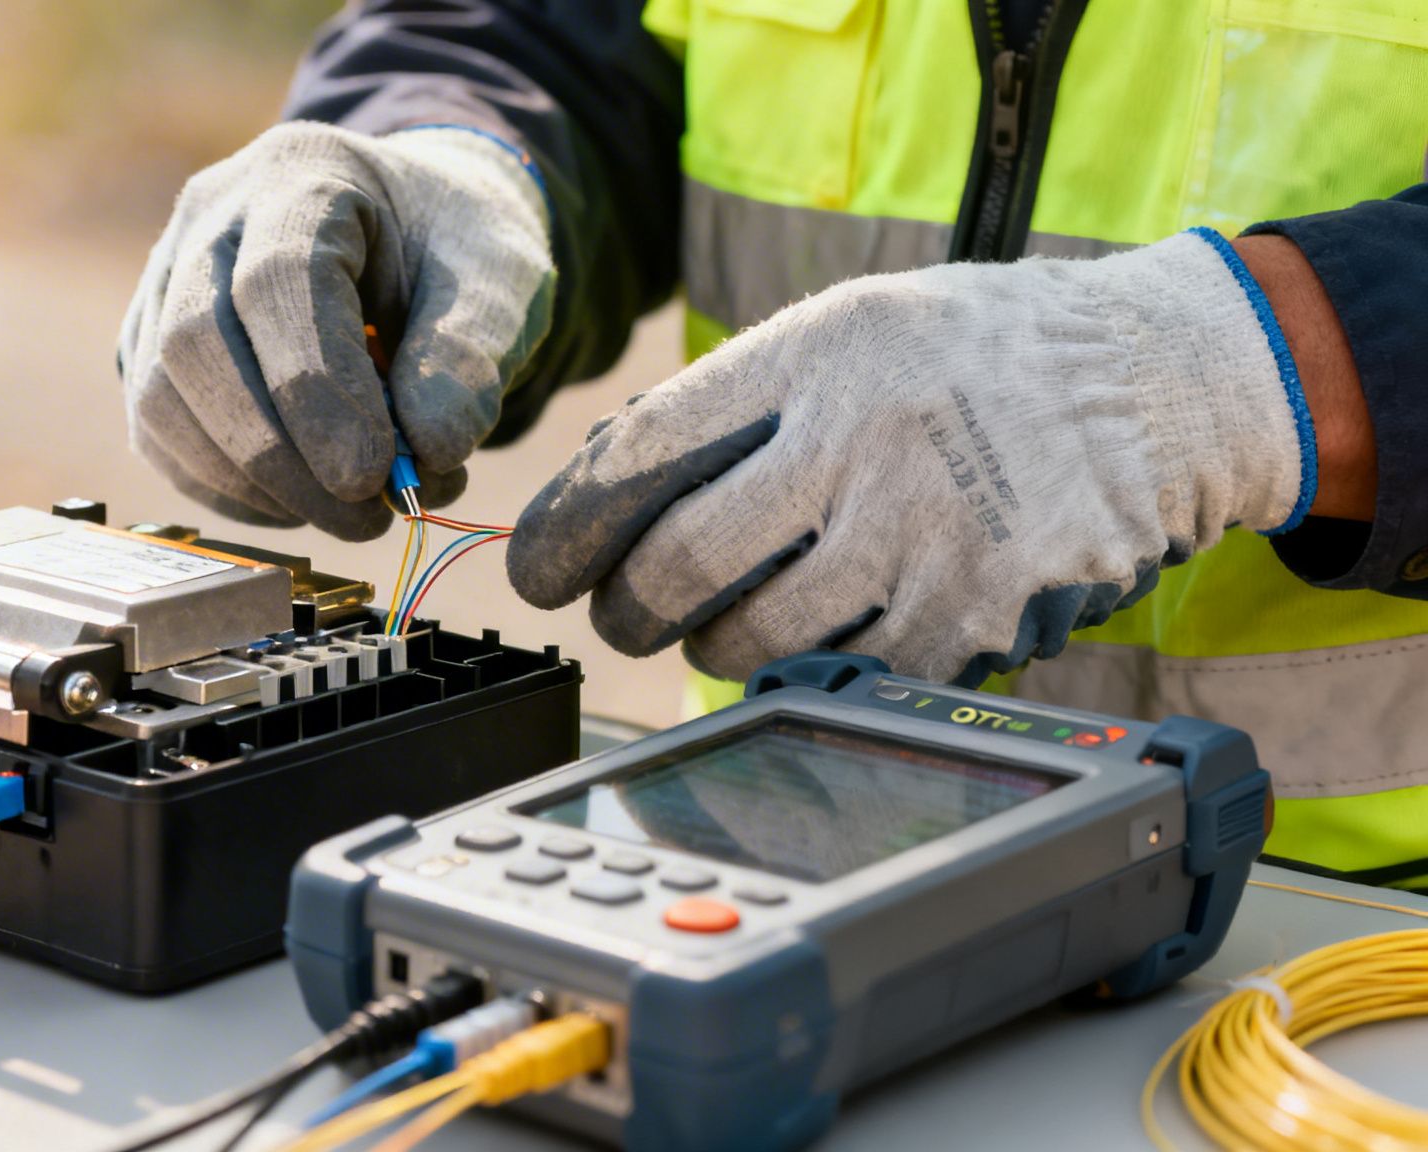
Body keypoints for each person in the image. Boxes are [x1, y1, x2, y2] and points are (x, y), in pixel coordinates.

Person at [116, 1, 1428, 885]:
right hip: (760, 846)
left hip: (1338, 925)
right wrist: (440, 147)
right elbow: (544, 32)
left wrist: (1245, 368)